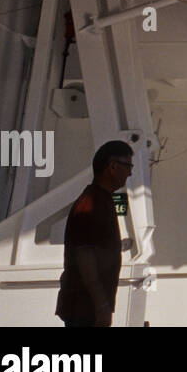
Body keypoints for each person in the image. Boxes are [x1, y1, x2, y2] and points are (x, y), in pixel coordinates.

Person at [55, 140, 133, 327]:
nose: (130, 172)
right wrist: (101, 304)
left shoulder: (102, 200)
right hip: (84, 307)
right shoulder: (91, 203)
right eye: (128, 166)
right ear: (113, 166)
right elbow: (85, 255)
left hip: (88, 307)